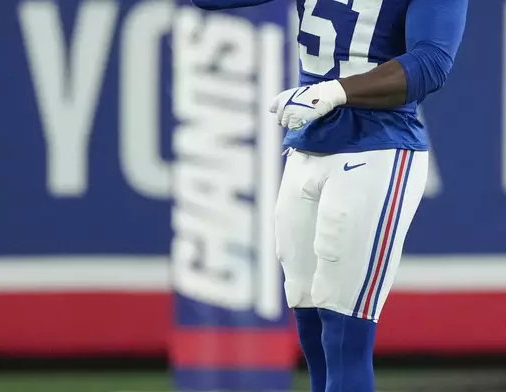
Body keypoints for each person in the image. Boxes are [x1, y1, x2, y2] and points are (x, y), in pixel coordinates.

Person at [191, 0, 468, 390]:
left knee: (343, 335)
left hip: (379, 149)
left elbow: (430, 63)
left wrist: (335, 91)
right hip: (308, 147)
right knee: (314, 332)